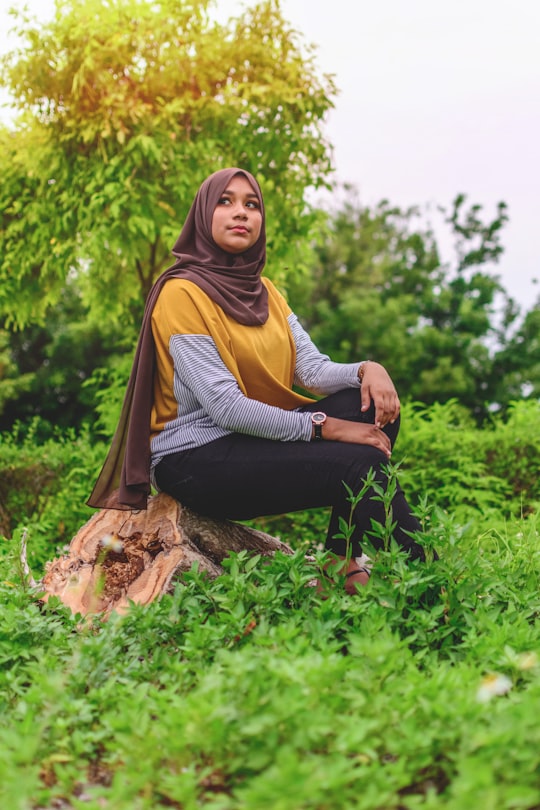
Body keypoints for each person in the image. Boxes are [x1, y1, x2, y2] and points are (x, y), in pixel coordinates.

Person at [88, 167, 429, 595]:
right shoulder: (181, 294)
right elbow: (224, 406)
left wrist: (367, 370)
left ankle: (340, 562)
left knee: (372, 410)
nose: (241, 213)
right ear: (203, 215)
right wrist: (326, 427)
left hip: (250, 439)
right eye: (226, 202)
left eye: (252, 205)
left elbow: (310, 370)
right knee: (361, 463)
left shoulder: (265, 290)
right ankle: (428, 581)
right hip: (195, 458)